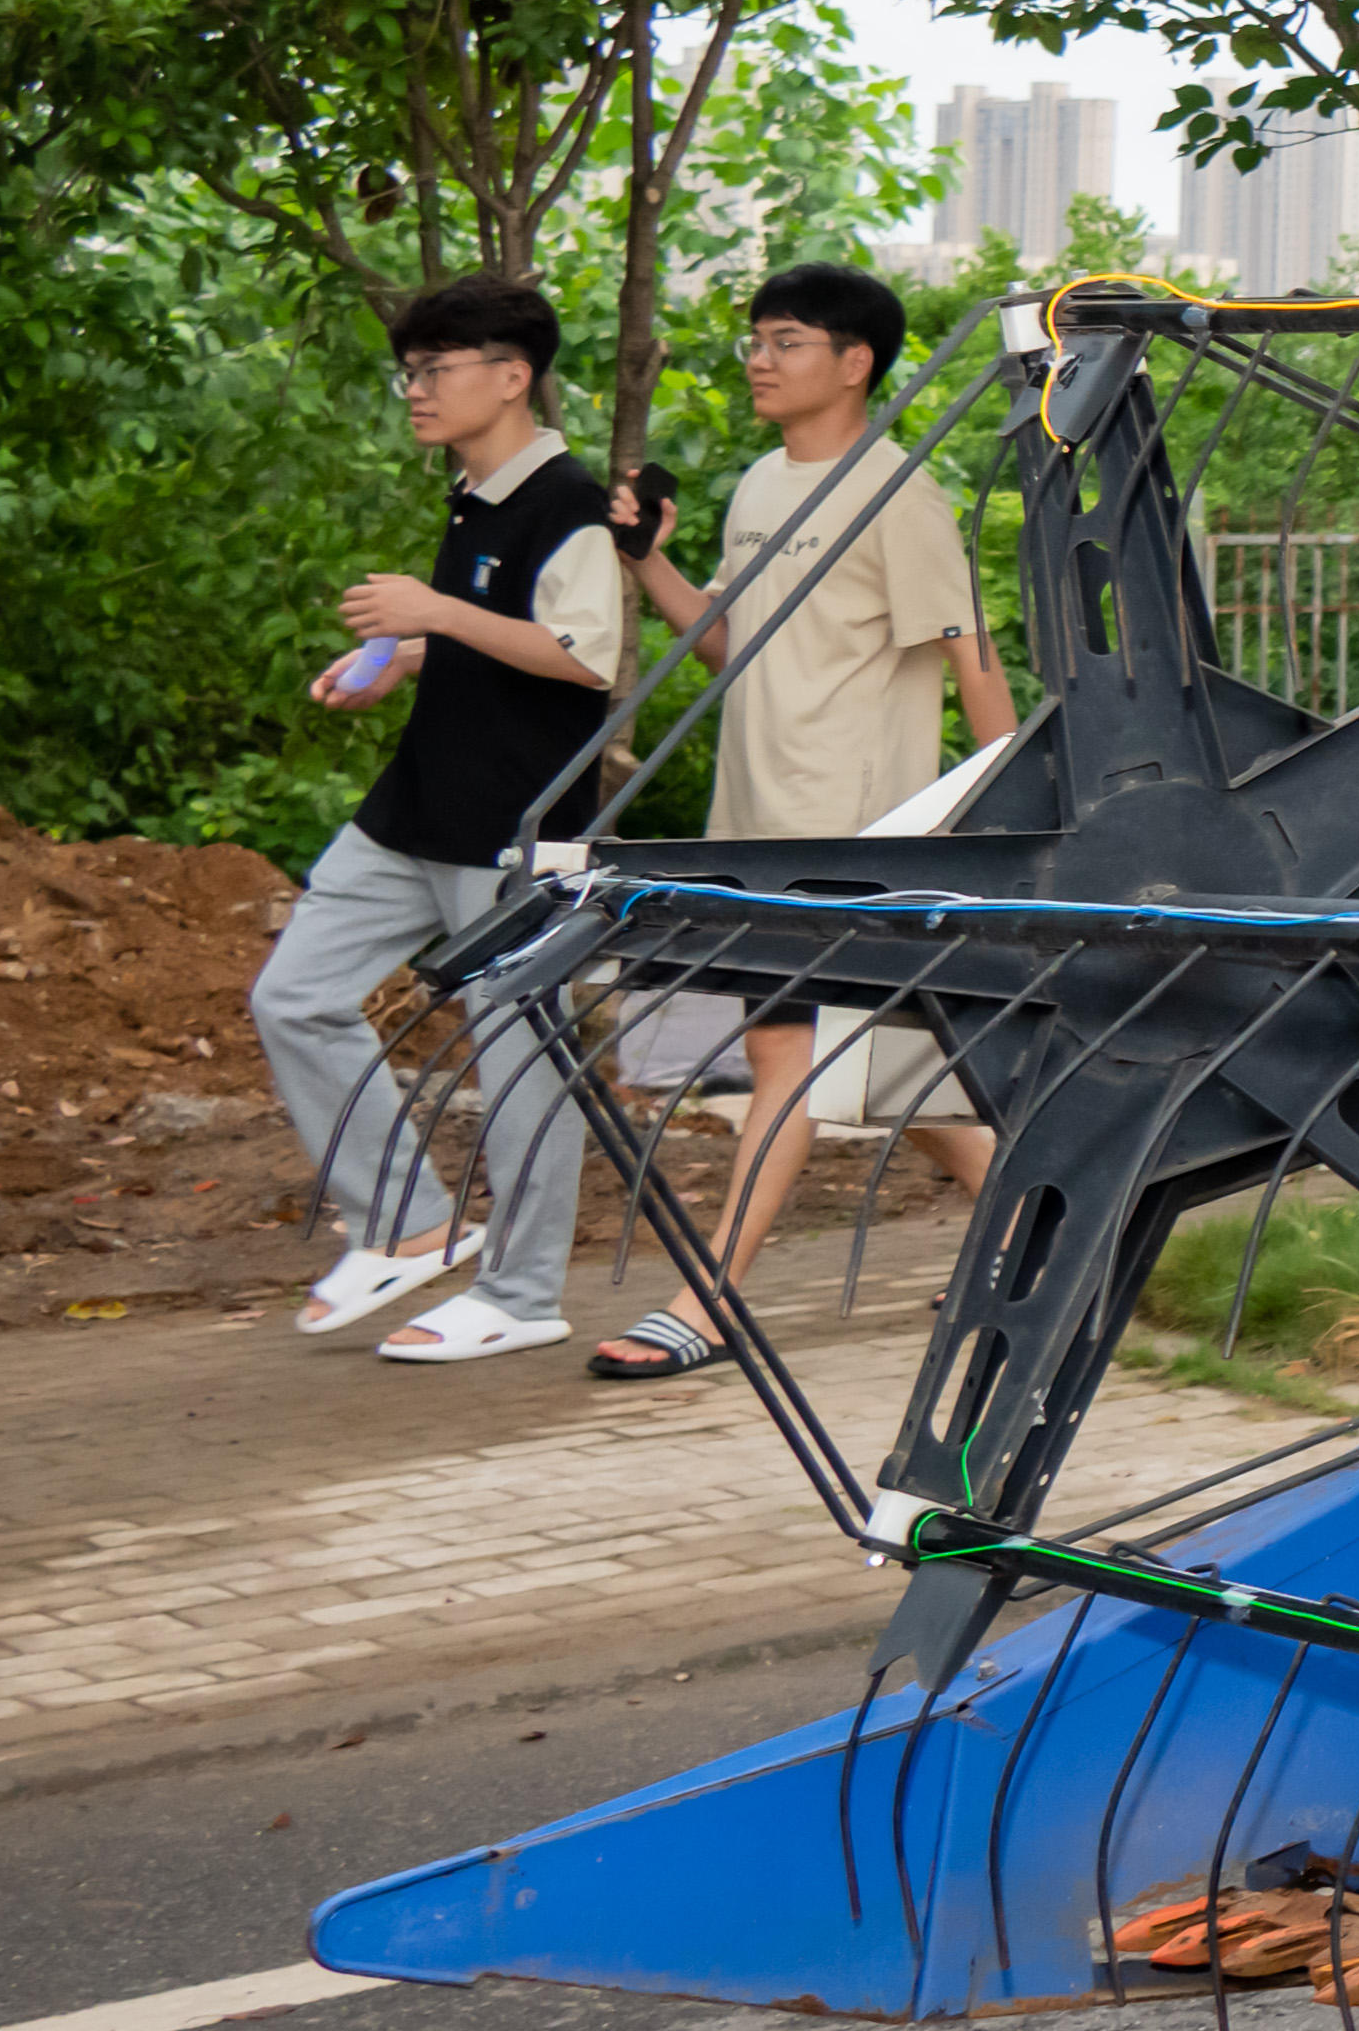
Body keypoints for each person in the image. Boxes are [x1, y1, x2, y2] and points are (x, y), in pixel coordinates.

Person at [586, 264, 1016, 1383]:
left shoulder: (897, 495)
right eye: (754, 343)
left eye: (784, 341)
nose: (759, 362)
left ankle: (709, 1298)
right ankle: (1036, 1238)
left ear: (854, 360)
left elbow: (972, 658)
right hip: (761, 828)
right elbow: (731, 648)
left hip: (857, 835)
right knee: (888, 1067)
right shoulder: (761, 489)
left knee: (789, 1054)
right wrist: (649, 565)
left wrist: (1004, 815)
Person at [245, 275, 632, 1365]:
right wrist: (401, 656)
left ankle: (522, 1292)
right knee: (295, 997)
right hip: (418, 806)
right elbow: (499, 636)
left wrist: (435, 614)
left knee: (519, 1054)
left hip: (516, 819)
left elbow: (585, 657)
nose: (413, 391)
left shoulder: (568, 504)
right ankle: (407, 1222)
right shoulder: (476, 493)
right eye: (409, 371)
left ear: (511, 378)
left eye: (435, 370)